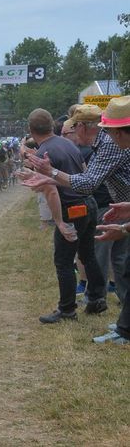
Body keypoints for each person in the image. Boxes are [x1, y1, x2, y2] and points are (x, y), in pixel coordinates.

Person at [20, 108, 107, 323]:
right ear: (52, 125)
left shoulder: (43, 155)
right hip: (89, 203)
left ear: (31, 130)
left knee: (64, 261)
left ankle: (67, 309)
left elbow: (50, 191)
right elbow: (86, 172)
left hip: (72, 208)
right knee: (88, 255)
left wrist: (59, 221)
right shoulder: (68, 143)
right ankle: (97, 299)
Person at [80, 95, 130, 345]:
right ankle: (125, 326)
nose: (112, 138)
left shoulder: (111, 147)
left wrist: (52, 174)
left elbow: (88, 182)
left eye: (113, 132)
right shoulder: (116, 144)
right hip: (124, 211)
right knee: (125, 265)